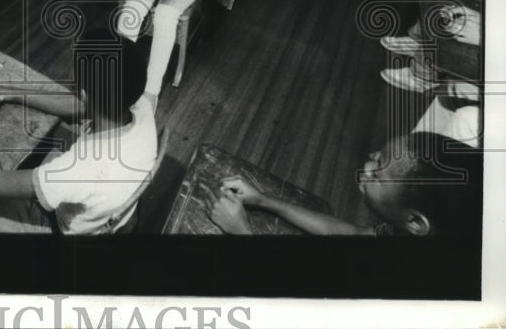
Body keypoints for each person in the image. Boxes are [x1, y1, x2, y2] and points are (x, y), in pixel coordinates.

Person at [0, 32, 158, 234]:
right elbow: (79, 107)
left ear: (85, 93)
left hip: (57, 230)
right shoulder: (142, 108)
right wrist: (5, 91)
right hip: (104, 214)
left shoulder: (79, 168)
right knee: (44, 143)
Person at [207, 132, 482, 237]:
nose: (366, 166)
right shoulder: (407, 231)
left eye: (377, 174)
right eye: (376, 156)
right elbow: (355, 235)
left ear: (415, 222)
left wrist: (242, 232)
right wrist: (263, 200)